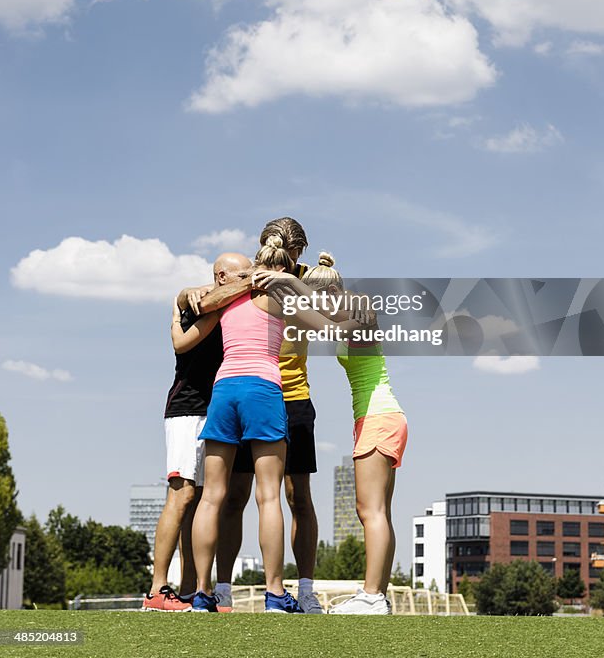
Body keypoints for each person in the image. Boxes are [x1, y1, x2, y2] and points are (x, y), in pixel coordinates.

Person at [173, 223, 364, 614]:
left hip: (225, 391)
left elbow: (197, 305)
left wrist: (191, 295)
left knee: (212, 495)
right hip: (264, 390)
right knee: (267, 497)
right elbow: (330, 329)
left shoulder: (233, 291)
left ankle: (201, 594)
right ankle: (276, 594)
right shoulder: (283, 292)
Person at [257, 255, 406, 616]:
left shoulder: (360, 311)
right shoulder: (348, 310)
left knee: (369, 511)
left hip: (378, 417)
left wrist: (289, 282)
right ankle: (378, 595)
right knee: (380, 512)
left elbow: (336, 322)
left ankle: (370, 596)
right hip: (382, 417)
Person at [142, 252, 252, 613]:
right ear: (221, 276)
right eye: (241, 274)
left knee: (202, 502)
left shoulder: (234, 306)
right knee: (181, 495)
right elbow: (182, 343)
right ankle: (158, 590)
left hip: (217, 411)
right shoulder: (200, 302)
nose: (248, 279)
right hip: (187, 410)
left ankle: (190, 591)